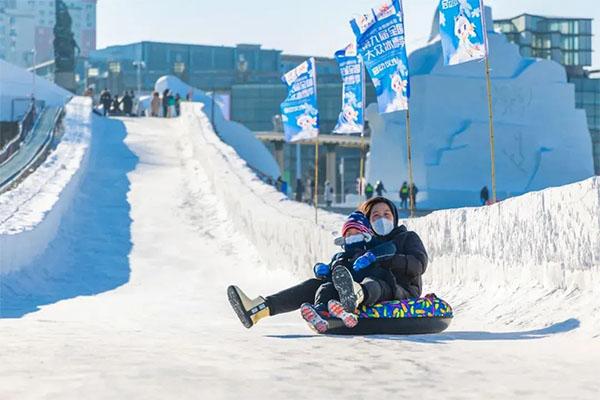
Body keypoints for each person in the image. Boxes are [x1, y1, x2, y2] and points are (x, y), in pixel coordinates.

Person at [227, 196, 429, 329]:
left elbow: (419, 264)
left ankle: (354, 296)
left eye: (386, 214)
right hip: (367, 286)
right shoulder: (366, 242)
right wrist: (329, 271)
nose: (381, 219)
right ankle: (258, 309)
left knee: (372, 283)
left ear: (394, 216)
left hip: (399, 288)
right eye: (375, 216)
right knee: (316, 285)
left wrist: (388, 259)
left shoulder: (406, 237)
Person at [299, 212, 398, 333]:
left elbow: (390, 248)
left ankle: (349, 306)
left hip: (370, 285)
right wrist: (319, 269)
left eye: (357, 233)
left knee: (372, 285)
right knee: (326, 287)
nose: (352, 236)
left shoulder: (374, 247)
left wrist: (371, 256)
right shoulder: (340, 257)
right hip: (344, 291)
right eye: (349, 234)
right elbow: (331, 271)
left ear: (366, 234)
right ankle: (320, 313)